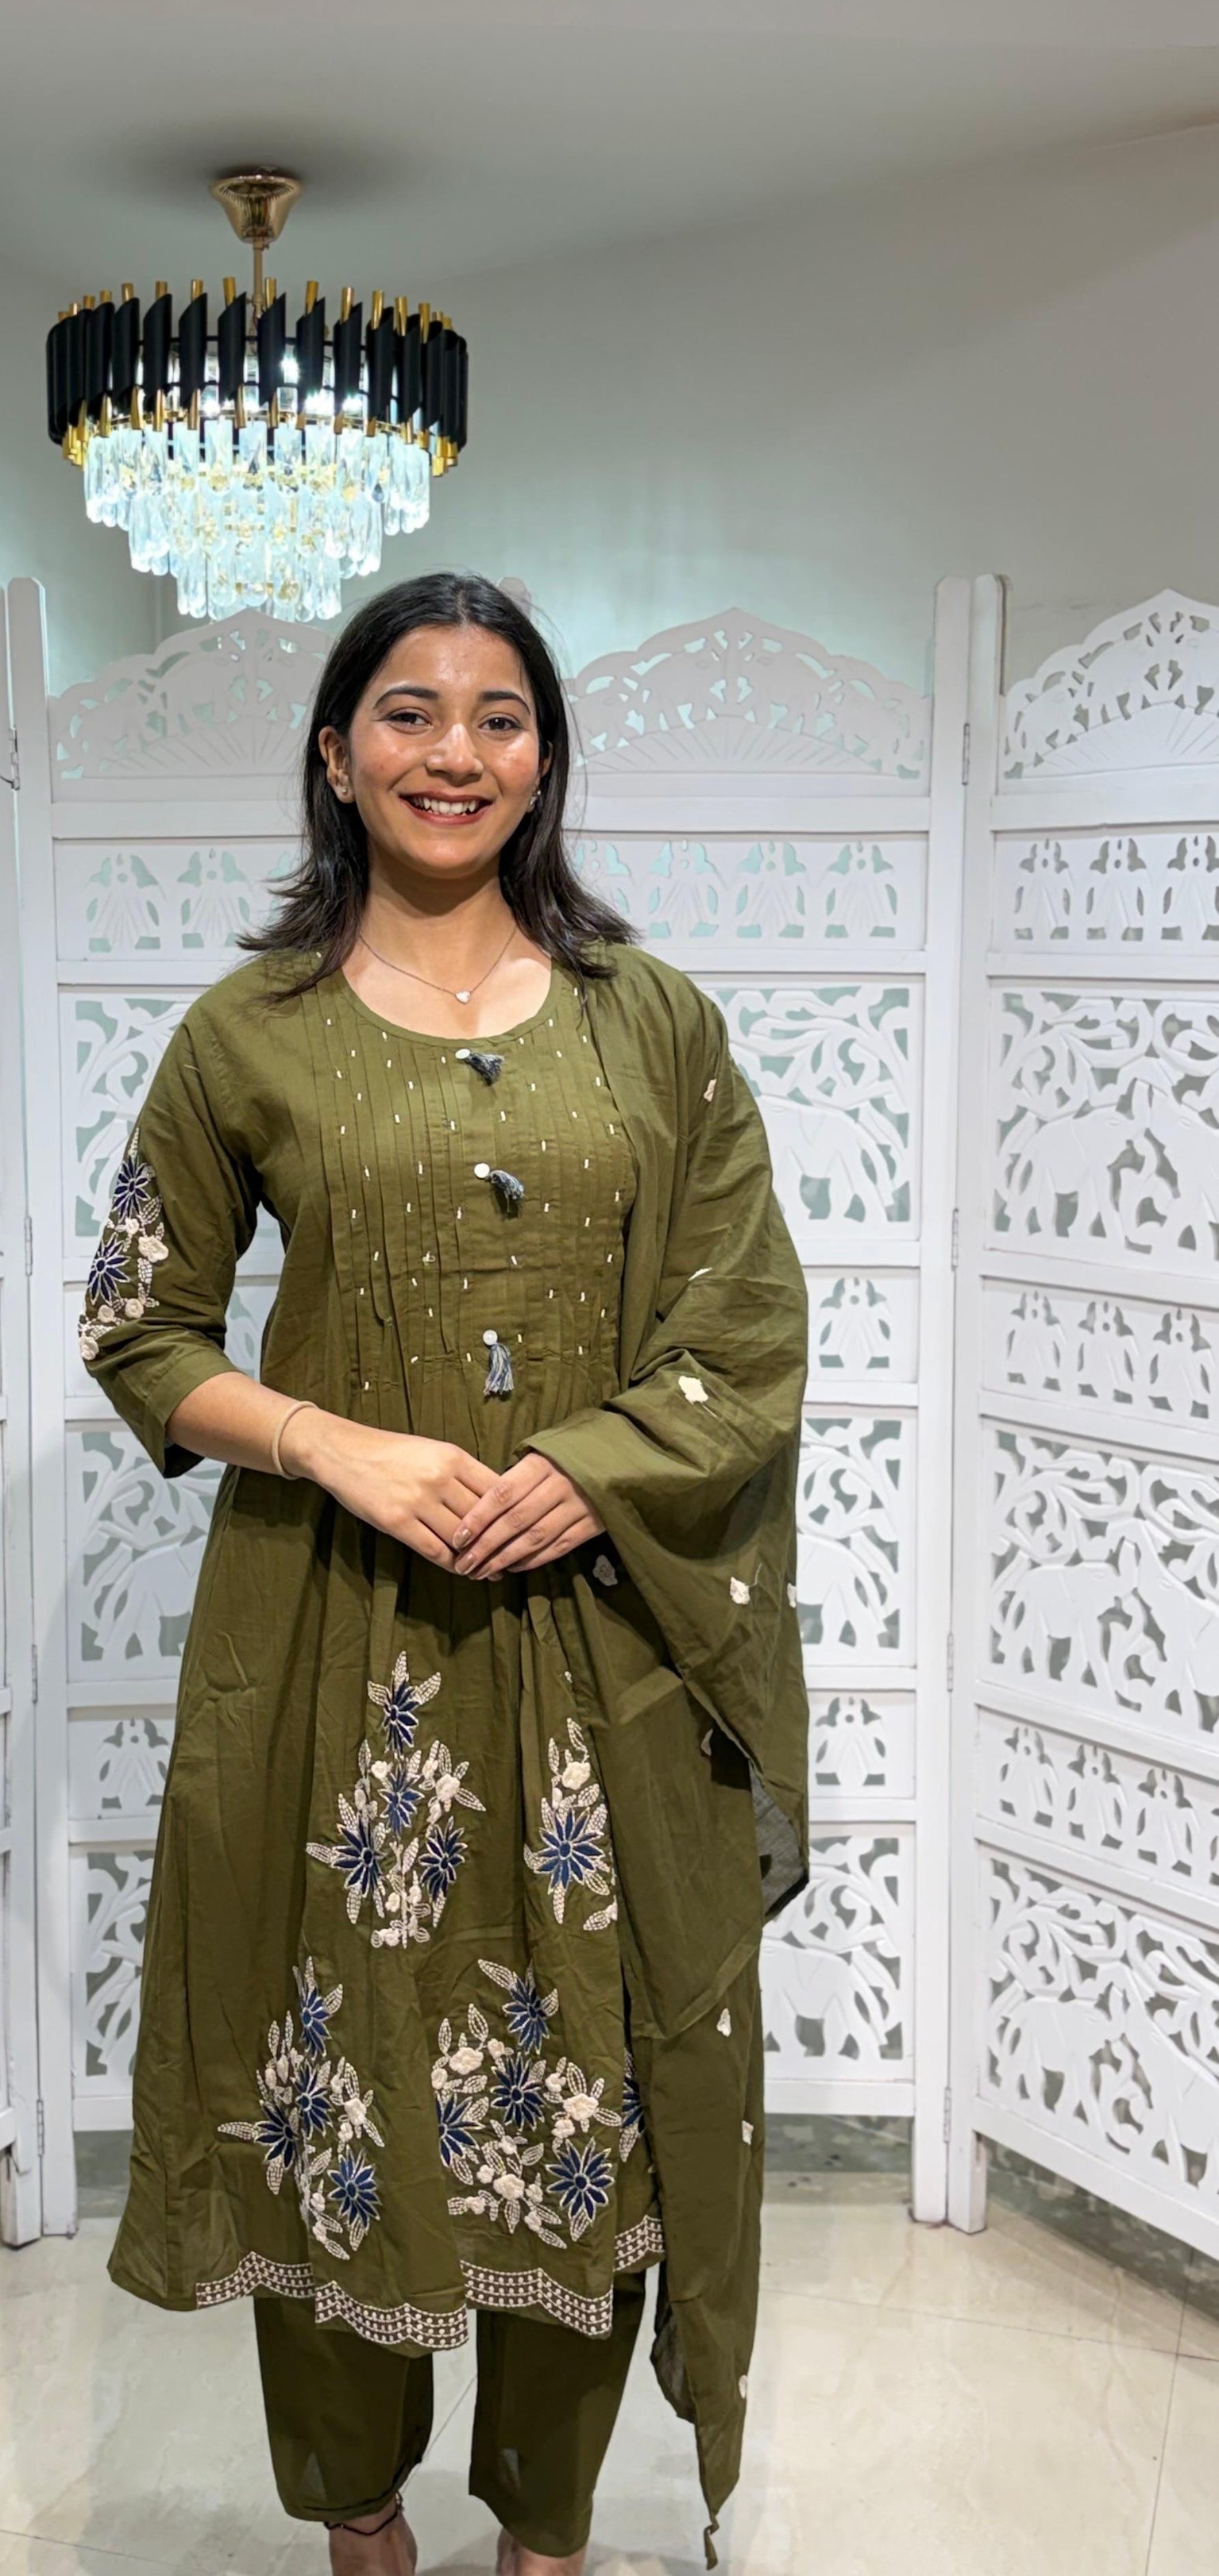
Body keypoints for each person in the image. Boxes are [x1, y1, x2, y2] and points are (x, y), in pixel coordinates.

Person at [81, 572, 809, 2574]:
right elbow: (136, 1323)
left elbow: (745, 1324)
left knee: (591, 2099)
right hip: (342, 1654)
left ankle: (547, 2534)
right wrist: (333, 1441)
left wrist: (587, 1468)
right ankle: (362, 2520)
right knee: (343, 2076)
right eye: (408, 711)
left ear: (543, 759)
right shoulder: (247, 1034)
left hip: (602, 1657)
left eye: (498, 715)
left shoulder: (652, 1020)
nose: (453, 750)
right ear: (335, 753)